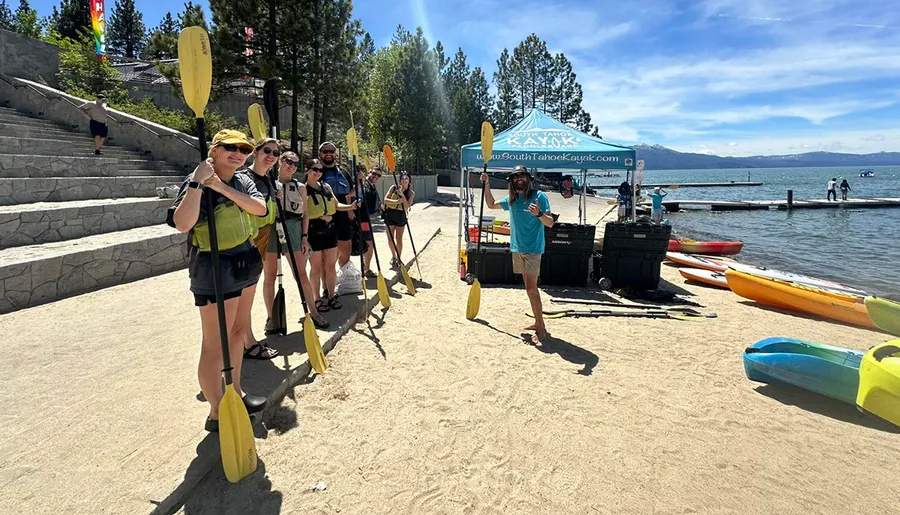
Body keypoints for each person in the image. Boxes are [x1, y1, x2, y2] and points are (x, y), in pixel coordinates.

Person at [167, 129, 268, 432]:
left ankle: (234, 393)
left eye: (243, 149)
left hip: (244, 261)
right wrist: (200, 182)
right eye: (230, 148)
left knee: (237, 333)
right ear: (214, 149)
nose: (238, 153)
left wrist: (221, 188)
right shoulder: (194, 180)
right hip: (214, 267)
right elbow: (182, 224)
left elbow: (259, 209)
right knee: (214, 345)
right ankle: (216, 411)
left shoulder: (242, 180)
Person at [481, 165, 554, 345]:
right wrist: (486, 184)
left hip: (533, 249)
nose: (519, 179)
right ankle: (538, 321)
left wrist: (539, 214)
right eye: (515, 177)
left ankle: (542, 329)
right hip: (517, 248)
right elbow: (491, 204)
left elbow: (550, 223)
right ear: (512, 181)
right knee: (529, 290)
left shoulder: (539, 197)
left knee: (531, 289)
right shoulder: (512, 200)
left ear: (529, 179)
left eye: (522, 176)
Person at [268, 152, 329, 329]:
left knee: (301, 274)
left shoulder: (300, 187)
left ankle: (313, 313)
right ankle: (271, 318)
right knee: (270, 276)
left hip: (293, 228)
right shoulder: (269, 183)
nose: (292, 166)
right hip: (272, 229)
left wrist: (304, 237)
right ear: (280, 162)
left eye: (296, 163)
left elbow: (306, 214)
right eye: (289, 162)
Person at [238, 138, 281, 359]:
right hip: (248, 239)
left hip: (262, 238)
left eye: (276, 153)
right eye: (267, 151)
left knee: (248, 292)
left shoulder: (268, 180)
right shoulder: (243, 178)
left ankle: (245, 340)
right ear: (256, 152)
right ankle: (248, 343)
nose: (271, 155)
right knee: (245, 294)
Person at [304, 158, 359, 314]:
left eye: (320, 170)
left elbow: (336, 205)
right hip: (313, 232)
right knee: (316, 267)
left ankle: (331, 294)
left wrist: (351, 206)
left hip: (329, 231)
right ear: (307, 169)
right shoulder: (303, 189)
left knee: (330, 266)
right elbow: (301, 212)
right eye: (314, 169)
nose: (318, 172)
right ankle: (316, 299)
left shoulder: (326, 187)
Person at [317, 142, 355, 272]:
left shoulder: (343, 172)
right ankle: (327, 288)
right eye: (325, 151)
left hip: (342, 217)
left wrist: (350, 209)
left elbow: (351, 191)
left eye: (331, 151)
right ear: (320, 154)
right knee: (326, 256)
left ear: (335, 154)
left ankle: (343, 279)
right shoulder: (316, 171)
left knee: (346, 250)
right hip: (323, 218)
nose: (328, 154)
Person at [382, 172, 415, 269]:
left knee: (398, 239)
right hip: (390, 214)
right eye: (402, 178)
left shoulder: (411, 193)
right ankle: (393, 256)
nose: (404, 181)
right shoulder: (393, 188)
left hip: (401, 216)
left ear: (409, 182)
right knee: (390, 239)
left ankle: (399, 258)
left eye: (406, 179)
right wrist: (396, 201)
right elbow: (386, 200)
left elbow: (406, 207)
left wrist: (402, 196)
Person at [358, 165, 383, 278]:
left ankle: (365, 268)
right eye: (374, 173)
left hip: (367, 219)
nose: (375, 176)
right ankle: (366, 269)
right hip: (361, 219)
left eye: (378, 175)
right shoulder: (362, 184)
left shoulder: (372, 187)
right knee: (369, 244)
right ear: (369, 172)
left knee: (368, 244)